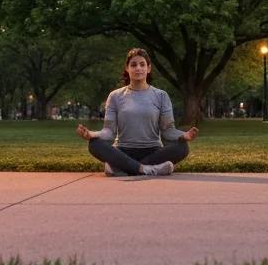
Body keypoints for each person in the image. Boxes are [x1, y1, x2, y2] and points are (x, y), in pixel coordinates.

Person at [76, 47, 199, 177]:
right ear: (127, 68)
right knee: (94, 144)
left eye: (142, 64)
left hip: (152, 151)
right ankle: (149, 169)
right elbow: (109, 132)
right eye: (133, 65)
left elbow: (168, 131)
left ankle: (121, 168)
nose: (138, 68)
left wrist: (184, 136)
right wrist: (91, 134)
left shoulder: (161, 96)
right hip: (123, 151)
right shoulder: (115, 96)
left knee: (182, 147)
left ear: (149, 68)